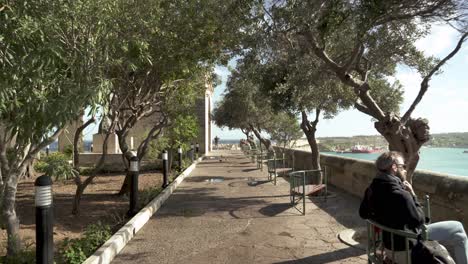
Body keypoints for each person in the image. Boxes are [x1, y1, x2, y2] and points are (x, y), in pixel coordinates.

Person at [359, 151, 468, 264]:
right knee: (458, 228)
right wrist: (412, 194)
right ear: (394, 167)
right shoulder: (401, 195)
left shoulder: (371, 189)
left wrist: (384, 218)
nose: (405, 170)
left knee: (458, 231)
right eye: (402, 167)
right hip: (406, 249)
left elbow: (363, 213)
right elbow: (422, 220)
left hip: (388, 245)